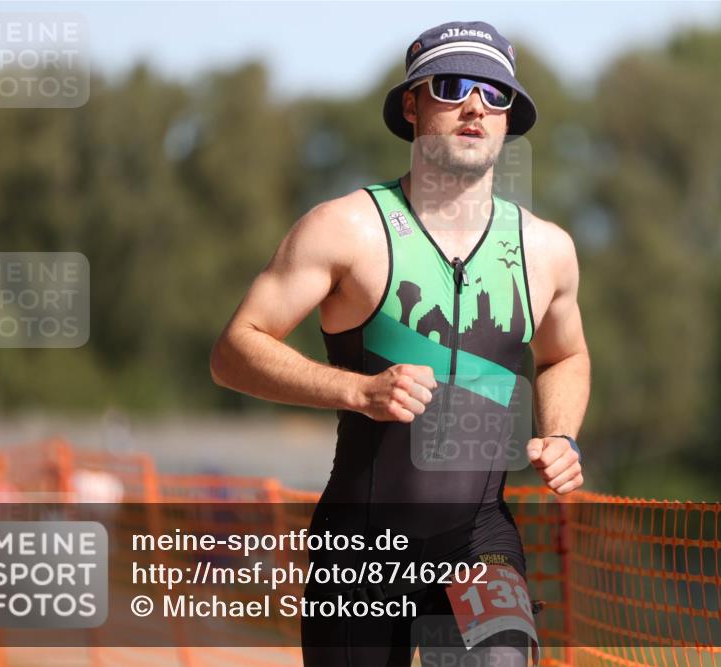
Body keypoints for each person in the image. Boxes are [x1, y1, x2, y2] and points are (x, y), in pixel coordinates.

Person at [211, 20, 590, 666]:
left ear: (509, 119)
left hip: (479, 542)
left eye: (495, 93)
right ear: (411, 105)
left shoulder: (546, 250)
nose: (475, 105)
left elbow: (565, 355)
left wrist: (561, 434)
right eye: (453, 86)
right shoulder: (345, 229)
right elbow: (234, 351)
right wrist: (357, 390)